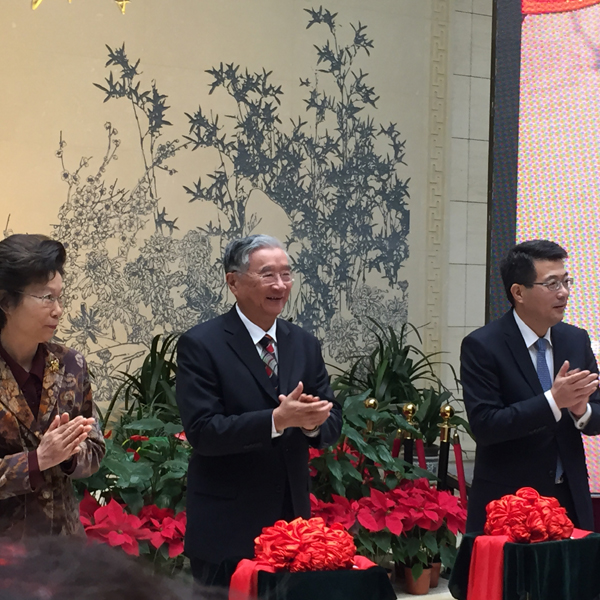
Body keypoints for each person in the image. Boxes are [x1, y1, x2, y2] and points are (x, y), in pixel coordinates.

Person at [176, 234, 343, 587]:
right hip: (227, 523)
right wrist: (276, 421)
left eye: (286, 274)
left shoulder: (304, 343)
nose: (280, 285)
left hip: (291, 522)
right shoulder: (201, 344)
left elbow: (332, 420)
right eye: (267, 274)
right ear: (233, 282)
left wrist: (313, 423)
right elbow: (204, 431)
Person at [461, 239, 600, 533]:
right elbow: (486, 425)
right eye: (551, 284)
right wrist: (553, 401)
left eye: (566, 281)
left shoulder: (575, 340)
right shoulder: (483, 346)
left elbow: (596, 414)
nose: (564, 292)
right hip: (509, 504)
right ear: (518, 292)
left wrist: (581, 410)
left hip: (569, 499)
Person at [0, 234, 105, 536]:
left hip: (63, 550)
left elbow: (95, 449)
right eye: (47, 298)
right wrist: (37, 461)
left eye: (60, 297)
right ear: (6, 301)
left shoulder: (72, 364)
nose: (58, 310)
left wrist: (70, 455)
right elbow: (41, 458)